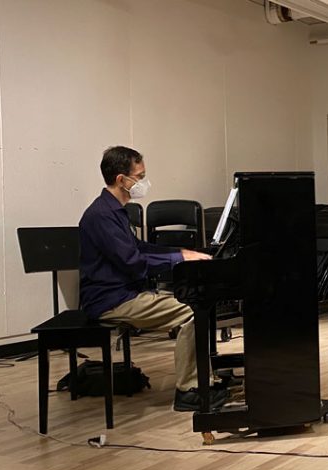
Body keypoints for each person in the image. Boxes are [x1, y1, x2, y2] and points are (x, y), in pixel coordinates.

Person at [79, 146, 228, 411]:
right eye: (140, 176)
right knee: (191, 311)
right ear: (121, 180)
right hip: (111, 300)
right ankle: (189, 390)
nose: (144, 182)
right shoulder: (102, 216)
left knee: (197, 302)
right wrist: (178, 259)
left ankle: (206, 377)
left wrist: (180, 252)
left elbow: (139, 248)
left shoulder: (114, 210)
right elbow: (132, 262)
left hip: (124, 294)